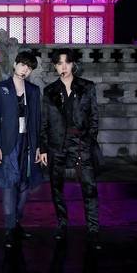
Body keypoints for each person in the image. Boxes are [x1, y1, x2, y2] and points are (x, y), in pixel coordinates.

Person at [38, 48, 101, 249]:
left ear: (73, 64)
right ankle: (62, 224)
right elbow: (44, 122)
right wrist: (43, 148)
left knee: (89, 187)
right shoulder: (49, 91)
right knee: (56, 188)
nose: (63, 67)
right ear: (55, 66)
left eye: (67, 62)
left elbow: (94, 117)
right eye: (59, 63)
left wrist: (89, 140)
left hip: (81, 144)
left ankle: (93, 229)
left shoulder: (87, 87)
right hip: (57, 145)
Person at [0, 51, 42, 248]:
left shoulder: (34, 90)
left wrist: (38, 146)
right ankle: (9, 228)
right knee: (9, 183)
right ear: (15, 64)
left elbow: (37, 120)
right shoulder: (0, 88)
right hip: (8, 142)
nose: (25, 70)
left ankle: (17, 222)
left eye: (29, 67)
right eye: (22, 65)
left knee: (25, 183)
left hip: (28, 142)